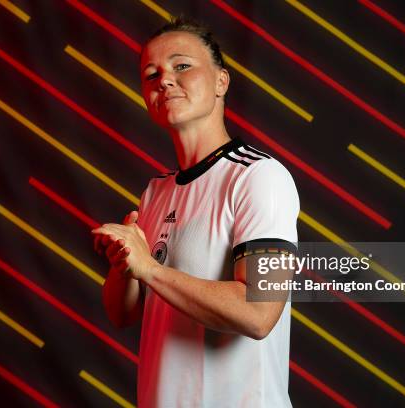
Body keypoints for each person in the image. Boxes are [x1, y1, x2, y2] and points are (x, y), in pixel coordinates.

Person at [92, 16, 300, 408]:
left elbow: (259, 312)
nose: (164, 80)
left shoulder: (260, 177)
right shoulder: (156, 191)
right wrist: (126, 265)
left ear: (222, 81)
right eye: (151, 74)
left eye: (181, 66)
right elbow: (122, 315)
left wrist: (151, 269)